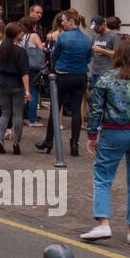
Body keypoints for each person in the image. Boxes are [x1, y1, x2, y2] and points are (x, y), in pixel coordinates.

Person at [82, 38, 130, 245]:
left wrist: (91, 137)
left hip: (113, 132)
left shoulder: (105, 79)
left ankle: (104, 223)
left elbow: (95, 110)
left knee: (103, 178)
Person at [40, 9, 93, 156]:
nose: (61, 22)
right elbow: (88, 58)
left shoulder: (62, 38)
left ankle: (49, 141)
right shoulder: (87, 39)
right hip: (80, 75)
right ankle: (74, 143)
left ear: (71, 22)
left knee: (55, 108)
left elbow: (54, 56)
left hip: (63, 75)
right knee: (76, 110)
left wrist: (53, 69)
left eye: (63, 20)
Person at [0, 22, 31, 154]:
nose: (22, 34)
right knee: (18, 114)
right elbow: (24, 73)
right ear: (16, 35)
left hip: (4, 83)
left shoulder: (1, 49)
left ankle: (0, 140)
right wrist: (27, 90)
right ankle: (16, 142)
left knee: (5, 113)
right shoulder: (20, 52)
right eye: (20, 32)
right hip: (16, 85)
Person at [20, 17, 47, 127]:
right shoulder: (34, 36)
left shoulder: (21, 36)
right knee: (33, 92)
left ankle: (21, 117)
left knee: (23, 92)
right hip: (34, 67)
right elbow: (41, 49)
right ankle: (32, 119)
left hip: (23, 66)